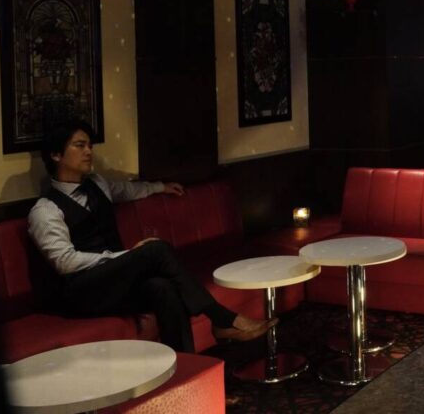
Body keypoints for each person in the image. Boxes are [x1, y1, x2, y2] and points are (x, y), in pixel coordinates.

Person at [27, 120, 274, 353]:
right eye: (80, 146)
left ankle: (186, 368)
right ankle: (222, 318)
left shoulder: (97, 183)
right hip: (80, 294)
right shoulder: (45, 210)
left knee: (163, 288)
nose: (89, 152)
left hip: (114, 283)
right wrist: (125, 256)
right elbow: (65, 262)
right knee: (156, 249)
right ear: (56, 155)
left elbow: (126, 190)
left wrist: (160, 187)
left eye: (90, 145)